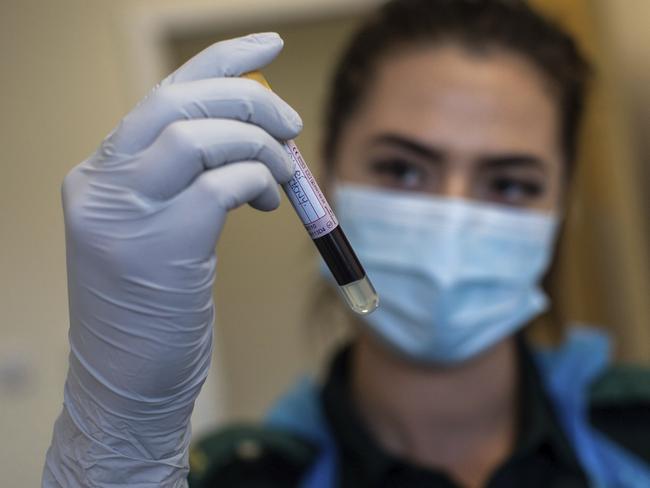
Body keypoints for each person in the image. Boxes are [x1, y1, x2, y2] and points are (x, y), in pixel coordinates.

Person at [43, 0, 650, 487]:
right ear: (325, 175)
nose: (452, 215)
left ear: (561, 206)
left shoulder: (636, 430)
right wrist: (120, 435)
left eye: (511, 183)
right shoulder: (242, 475)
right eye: (404, 170)